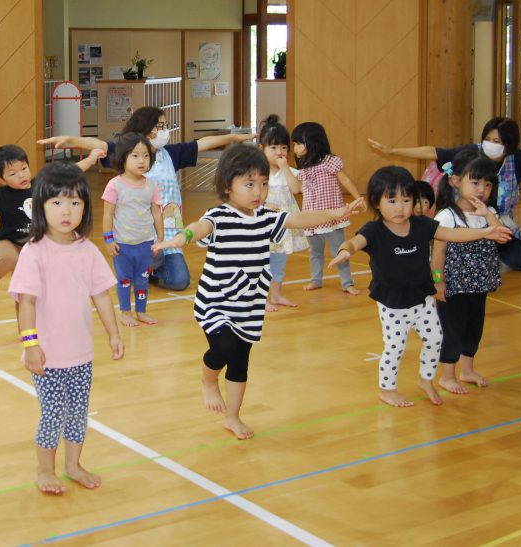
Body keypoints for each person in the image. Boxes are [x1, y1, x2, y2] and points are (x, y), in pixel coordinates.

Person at [154, 144, 365, 439]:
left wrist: (336, 212)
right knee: (224, 348)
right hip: (216, 302)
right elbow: (199, 227)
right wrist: (182, 237)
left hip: (249, 305)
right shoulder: (220, 215)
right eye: (250, 184)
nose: (259, 192)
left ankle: (232, 417)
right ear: (228, 186)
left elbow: (299, 219)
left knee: (240, 361)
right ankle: (208, 379)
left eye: (264, 184)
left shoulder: (266, 217)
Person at [329, 166, 511, 408]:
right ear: (376, 202)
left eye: (406, 200)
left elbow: (451, 234)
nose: (400, 207)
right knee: (395, 347)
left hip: (422, 299)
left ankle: (426, 380)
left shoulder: (422, 225)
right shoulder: (374, 230)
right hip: (393, 304)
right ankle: (387, 389)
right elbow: (354, 242)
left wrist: (484, 232)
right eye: (391, 200)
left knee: (435, 339)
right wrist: (344, 251)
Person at [39, 106, 256, 291]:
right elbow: (99, 145)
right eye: (159, 126)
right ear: (144, 129)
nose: (165, 131)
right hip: (136, 233)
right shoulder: (125, 152)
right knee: (134, 273)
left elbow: (204, 143)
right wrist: (70, 140)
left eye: (164, 126)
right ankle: (139, 268)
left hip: (167, 233)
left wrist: (234, 137)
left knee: (180, 281)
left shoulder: (171, 153)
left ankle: (150, 271)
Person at [10, 162, 123, 494]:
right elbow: (26, 302)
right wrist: (30, 345)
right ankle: (45, 469)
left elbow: (101, 295)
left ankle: (73, 465)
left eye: (75, 202)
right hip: (47, 357)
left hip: (81, 356)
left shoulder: (87, 251)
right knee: (53, 414)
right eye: (57, 202)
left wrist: (113, 333)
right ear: (41, 207)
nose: (66, 211)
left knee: (78, 414)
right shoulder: (34, 252)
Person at [367, 117, 521, 271]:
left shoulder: (519, 160)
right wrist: (393, 151)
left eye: (498, 142)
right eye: (488, 138)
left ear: (509, 146)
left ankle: (487, 248)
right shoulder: (470, 152)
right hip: (464, 218)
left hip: (496, 220)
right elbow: (433, 152)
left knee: (520, 261)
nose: (491, 144)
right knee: (449, 250)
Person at [0, 144, 104, 306]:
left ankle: (25, 330)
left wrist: (91, 158)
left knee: (25, 290)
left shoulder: (41, 185)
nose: (21, 175)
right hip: (7, 241)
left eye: (24, 169)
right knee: (11, 259)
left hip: (33, 245)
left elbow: (68, 172)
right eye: (12, 173)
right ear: (1, 180)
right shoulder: (1, 195)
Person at [431, 148, 505, 393]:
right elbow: (438, 253)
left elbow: (504, 237)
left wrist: (488, 215)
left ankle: (467, 369)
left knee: (474, 328)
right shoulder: (447, 216)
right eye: (475, 183)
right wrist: (438, 282)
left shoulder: (489, 214)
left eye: (487, 184)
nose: (481, 190)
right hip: (453, 285)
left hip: (480, 284)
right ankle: (447, 375)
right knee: (452, 330)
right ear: (455, 181)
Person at [291, 121, 365, 294]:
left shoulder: (330, 161)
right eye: (294, 144)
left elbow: (345, 179)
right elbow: (299, 189)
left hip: (333, 217)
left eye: (298, 143)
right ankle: (316, 279)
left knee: (339, 251)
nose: (295, 148)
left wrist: (358, 198)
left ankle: (347, 283)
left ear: (313, 142)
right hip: (312, 218)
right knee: (315, 252)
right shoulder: (304, 167)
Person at [102, 132, 163, 327]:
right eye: (135, 155)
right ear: (123, 157)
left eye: (146, 156)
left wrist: (160, 238)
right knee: (125, 281)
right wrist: (108, 239)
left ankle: (141, 311)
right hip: (123, 245)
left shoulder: (152, 185)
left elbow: (156, 213)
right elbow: (108, 215)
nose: (141, 160)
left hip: (145, 243)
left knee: (143, 280)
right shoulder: (114, 185)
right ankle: (125, 312)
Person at [259, 115, 304, 310]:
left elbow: (296, 190)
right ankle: (261, 298)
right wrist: (264, 206)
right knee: (261, 261)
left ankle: (276, 295)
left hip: (283, 225)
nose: (280, 152)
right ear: (262, 149)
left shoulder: (290, 171)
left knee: (278, 261)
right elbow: (252, 197)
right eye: (274, 147)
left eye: (284, 147)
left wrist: (286, 168)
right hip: (264, 224)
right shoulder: (258, 172)